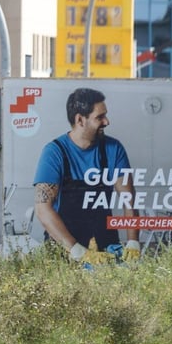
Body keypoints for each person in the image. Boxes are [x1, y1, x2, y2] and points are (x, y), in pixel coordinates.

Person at [33, 87, 139, 264]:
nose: (107, 121)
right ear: (80, 120)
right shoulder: (54, 153)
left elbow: (129, 200)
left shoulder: (114, 149)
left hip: (106, 247)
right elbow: (43, 209)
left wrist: (133, 242)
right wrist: (77, 251)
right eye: (100, 117)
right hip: (64, 249)